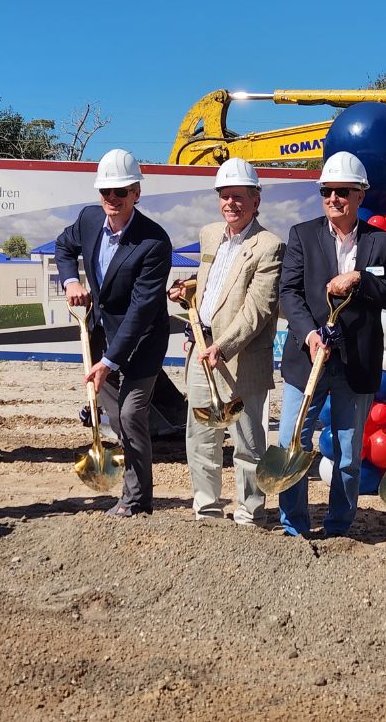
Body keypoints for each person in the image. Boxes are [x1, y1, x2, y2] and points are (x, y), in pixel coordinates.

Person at [278, 151, 386, 537]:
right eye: (327, 191)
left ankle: (338, 531)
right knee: (292, 444)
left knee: (350, 456)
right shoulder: (302, 235)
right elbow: (289, 292)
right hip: (308, 361)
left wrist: (360, 280)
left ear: (359, 195)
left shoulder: (382, 244)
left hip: (355, 366)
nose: (333, 198)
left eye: (342, 191)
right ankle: (294, 528)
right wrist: (309, 333)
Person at [167, 158, 285, 525]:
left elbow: (257, 308)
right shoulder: (209, 234)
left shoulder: (269, 246)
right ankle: (207, 508)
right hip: (203, 354)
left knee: (247, 440)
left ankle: (249, 511)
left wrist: (225, 346)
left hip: (241, 358)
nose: (230, 203)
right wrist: (187, 289)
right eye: (224, 196)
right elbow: (213, 283)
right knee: (201, 436)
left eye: (238, 196)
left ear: (256, 200)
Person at [56, 149, 172, 518]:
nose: (112, 199)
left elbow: (141, 311)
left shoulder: (153, 242)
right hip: (99, 338)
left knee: (132, 415)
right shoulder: (90, 219)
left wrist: (109, 361)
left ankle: (137, 502)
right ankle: (132, 491)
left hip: (141, 342)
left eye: (120, 192)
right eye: (106, 191)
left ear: (136, 192)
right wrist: (71, 279)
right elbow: (63, 246)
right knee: (117, 420)